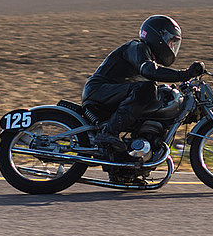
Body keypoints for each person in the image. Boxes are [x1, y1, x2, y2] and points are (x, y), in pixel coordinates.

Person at [82, 15, 205, 152]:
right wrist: (185, 74)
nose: (171, 46)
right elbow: (149, 70)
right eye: (170, 41)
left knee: (161, 94)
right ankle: (108, 133)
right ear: (158, 36)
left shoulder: (146, 57)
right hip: (99, 91)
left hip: (113, 94)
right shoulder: (137, 47)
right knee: (147, 89)